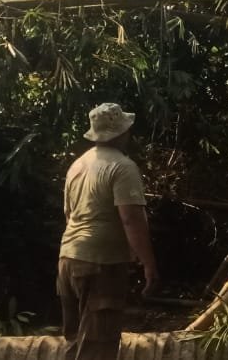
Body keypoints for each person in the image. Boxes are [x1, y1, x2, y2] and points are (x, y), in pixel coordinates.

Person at [57, 103, 159, 360]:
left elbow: (69, 215)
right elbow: (131, 219)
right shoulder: (123, 167)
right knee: (97, 348)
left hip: (68, 260)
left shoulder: (77, 166)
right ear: (121, 133)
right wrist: (149, 264)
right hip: (101, 263)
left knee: (75, 343)